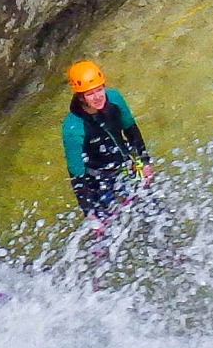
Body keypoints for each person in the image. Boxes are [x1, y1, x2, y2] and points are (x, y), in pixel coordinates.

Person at [61, 60, 153, 262]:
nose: (97, 97)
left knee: (151, 208)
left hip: (126, 166)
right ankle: (99, 262)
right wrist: (89, 212)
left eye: (99, 89)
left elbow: (130, 130)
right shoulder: (73, 127)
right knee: (109, 230)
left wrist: (145, 162)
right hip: (99, 181)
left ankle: (161, 249)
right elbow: (76, 174)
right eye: (90, 93)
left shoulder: (115, 100)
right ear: (80, 97)